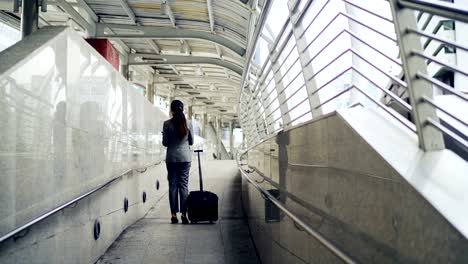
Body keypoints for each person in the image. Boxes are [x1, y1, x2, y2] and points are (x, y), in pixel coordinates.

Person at [162, 100, 194, 224]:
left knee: (173, 186)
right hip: (185, 158)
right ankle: (184, 215)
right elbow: (191, 142)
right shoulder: (188, 123)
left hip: (171, 158)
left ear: (172, 110)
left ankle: (173, 214)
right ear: (183, 109)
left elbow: (165, 143)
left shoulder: (166, 124)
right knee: (184, 186)